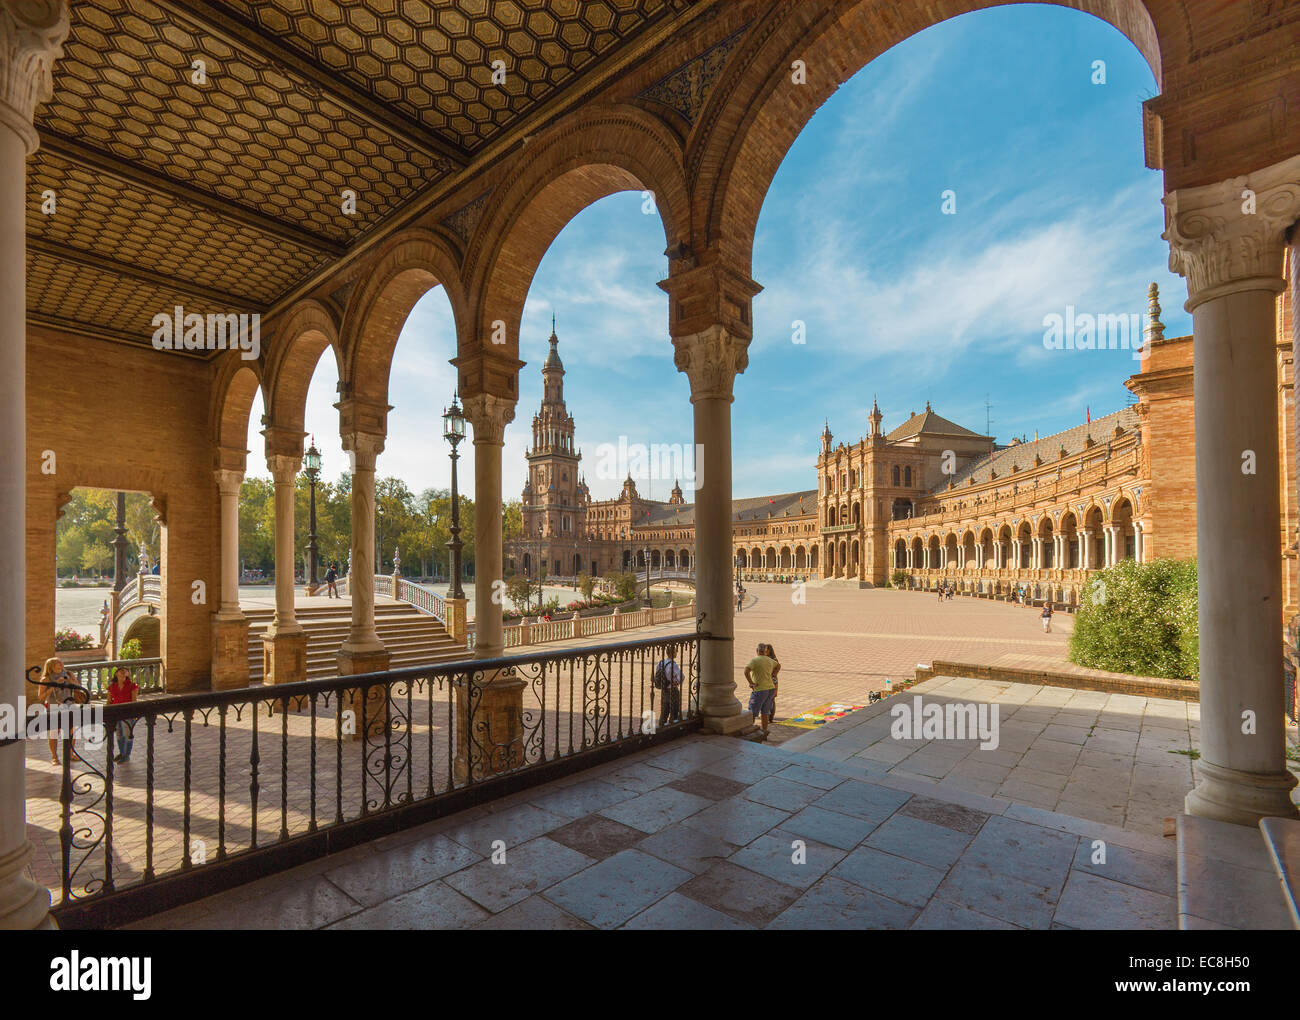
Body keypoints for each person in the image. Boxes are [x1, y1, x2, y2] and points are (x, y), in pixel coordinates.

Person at [36, 657, 86, 766]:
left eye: (60, 662)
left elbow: (78, 687)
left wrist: (69, 680)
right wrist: (53, 686)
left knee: (71, 731)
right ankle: (54, 757)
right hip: (54, 708)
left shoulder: (68, 674)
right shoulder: (46, 679)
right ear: (50, 667)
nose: (60, 664)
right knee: (54, 733)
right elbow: (41, 697)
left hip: (70, 706)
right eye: (57, 663)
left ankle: (70, 753)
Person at [106, 665, 139, 763]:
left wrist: (135, 713)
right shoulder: (112, 686)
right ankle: (121, 753)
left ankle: (127, 755)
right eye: (120, 671)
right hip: (116, 713)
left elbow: (134, 701)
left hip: (127, 713)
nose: (123, 672)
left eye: (125, 671)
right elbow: (109, 701)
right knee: (119, 734)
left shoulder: (132, 686)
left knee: (127, 734)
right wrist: (108, 713)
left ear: (128, 674)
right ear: (116, 673)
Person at [744, 643, 778, 735]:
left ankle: (749, 732)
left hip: (760, 689)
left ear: (757, 650)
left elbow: (746, 671)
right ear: (765, 651)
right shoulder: (770, 660)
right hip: (770, 689)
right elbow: (778, 665)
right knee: (765, 712)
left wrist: (751, 683)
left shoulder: (755, 660)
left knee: (752, 712)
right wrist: (774, 674)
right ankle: (764, 731)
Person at [653, 644, 684, 727]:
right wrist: (676, 682)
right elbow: (681, 677)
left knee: (664, 711)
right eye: (675, 651)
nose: (676, 653)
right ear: (673, 653)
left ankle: (661, 727)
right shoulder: (673, 665)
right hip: (672, 689)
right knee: (674, 710)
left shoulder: (660, 663)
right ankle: (673, 727)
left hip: (664, 690)